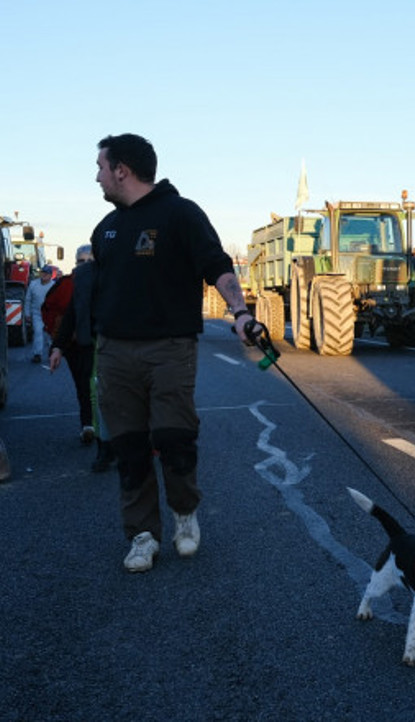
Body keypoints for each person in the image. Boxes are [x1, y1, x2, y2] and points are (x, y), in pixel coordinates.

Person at [91, 133, 263, 573]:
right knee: (128, 448)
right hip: (115, 353)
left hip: (169, 349)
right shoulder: (105, 229)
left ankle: (184, 513)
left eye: (101, 167)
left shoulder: (181, 214)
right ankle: (142, 536)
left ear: (122, 170)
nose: (98, 177)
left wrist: (241, 313)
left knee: (173, 438)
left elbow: (217, 267)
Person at [47, 245, 105, 457]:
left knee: (103, 389)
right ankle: (90, 427)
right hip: (77, 344)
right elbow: (67, 314)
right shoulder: (69, 285)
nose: (86, 266)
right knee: (84, 386)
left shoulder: (110, 284)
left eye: (90, 261)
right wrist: (58, 346)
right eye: (82, 262)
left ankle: (107, 438)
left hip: (104, 344)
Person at [23, 265, 56, 363]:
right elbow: (28, 300)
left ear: (50, 275)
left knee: (50, 335)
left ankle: (52, 352)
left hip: (50, 314)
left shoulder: (54, 286)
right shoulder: (33, 284)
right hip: (37, 313)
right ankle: (37, 354)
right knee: (38, 333)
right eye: (43, 272)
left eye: (47, 273)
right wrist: (27, 314)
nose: (44, 275)